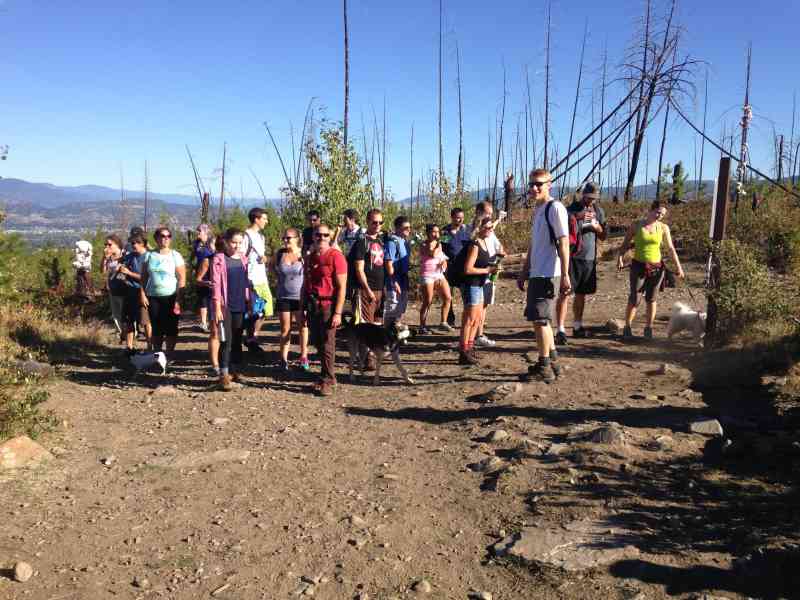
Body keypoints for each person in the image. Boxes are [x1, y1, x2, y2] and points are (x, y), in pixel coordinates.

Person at [516, 169, 571, 383]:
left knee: (541, 320)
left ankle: (545, 365)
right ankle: (552, 360)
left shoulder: (555, 208)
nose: (534, 188)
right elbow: (533, 246)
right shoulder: (539, 209)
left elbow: (564, 242)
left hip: (550, 273)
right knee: (540, 320)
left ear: (550, 184)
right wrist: (524, 270)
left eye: (539, 184)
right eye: (531, 184)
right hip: (538, 273)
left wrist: (565, 274)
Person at [617, 200, 685, 339]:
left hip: (657, 267)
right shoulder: (637, 225)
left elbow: (671, 249)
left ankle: (648, 328)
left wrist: (679, 267)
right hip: (638, 265)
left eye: (662, 214)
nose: (660, 215)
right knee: (635, 298)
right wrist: (620, 257)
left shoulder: (663, 228)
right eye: (658, 212)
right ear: (651, 210)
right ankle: (627, 327)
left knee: (651, 299)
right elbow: (625, 243)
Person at [554, 182, 607, 343]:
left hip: (589, 258)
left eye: (594, 198)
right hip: (572, 257)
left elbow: (604, 236)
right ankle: (560, 329)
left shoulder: (599, 211)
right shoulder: (572, 209)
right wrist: (578, 218)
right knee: (565, 292)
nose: (591, 201)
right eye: (589, 197)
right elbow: (562, 228)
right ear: (583, 194)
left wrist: (597, 228)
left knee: (582, 294)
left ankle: (577, 326)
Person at [304, 223, 347, 396]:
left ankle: (329, 379)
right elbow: (306, 283)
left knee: (328, 342)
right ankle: (324, 375)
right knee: (318, 342)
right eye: (318, 235)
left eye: (325, 235)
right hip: (313, 304)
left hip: (329, 305)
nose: (321, 238)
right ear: (313, 236)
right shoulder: (311, 257)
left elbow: (342, 287)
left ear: (330, 236)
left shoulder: (336, 256)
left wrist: (337, 312)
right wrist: (302, 306)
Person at [210, 228, 250, 390]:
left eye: (240, 243)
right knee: (226, 340)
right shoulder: (219, 259)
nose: (237, 246)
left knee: (237, 339)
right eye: (234, 242)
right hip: (225, 306)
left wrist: (249, 301)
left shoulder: (243, 259)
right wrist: (217, 307)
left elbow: (246, 283)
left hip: (240, 305)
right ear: (226, 241)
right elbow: (216, 285)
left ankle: (235, 369)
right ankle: (223, 373)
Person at [139, 226, 186, 358]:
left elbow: (182, 278)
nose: (165, 239)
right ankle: (158, 354)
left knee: (171, 327)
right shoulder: (148, 255)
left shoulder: (175, 255)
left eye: (168, 236)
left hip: (171, 296)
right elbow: (143, 277)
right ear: (156, 238)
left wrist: (179, 298)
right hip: (153, 296)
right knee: (156, 327)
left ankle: (170, 354)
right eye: (162, 236)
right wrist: (142, 294)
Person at [458, 217, 498, 365]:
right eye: (487, 227)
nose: (490, 230)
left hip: (480, 284)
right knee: (469, 319)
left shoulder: (484, 243)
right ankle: (463, 351)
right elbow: (468, 269)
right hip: (472, 284)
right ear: (479, 228)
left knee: (477, 319)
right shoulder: (474, 245)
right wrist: (486, 270)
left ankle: (469, 347)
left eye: (491, 227)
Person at [272, 227, 310, 372]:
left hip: (300, 297)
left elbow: (310, 272)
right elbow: (271, 266)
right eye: (284, 238)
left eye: (289, 238)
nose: (286, 240)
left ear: (296, 239)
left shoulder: (304, 254)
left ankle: (304, 357)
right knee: (285, 329)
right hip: (283, 296)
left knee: (303, 327)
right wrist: (278, 279)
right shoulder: (280, 253)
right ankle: (283, 359)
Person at [469, 201, 506, 348]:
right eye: (487, 213)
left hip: (490, 273)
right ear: (478, 213)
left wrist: (500, 254)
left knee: (483, 306)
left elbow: (497, 245)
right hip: (479, 274)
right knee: (476, 308)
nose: (489, 216)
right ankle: (475, 336)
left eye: (491, 213)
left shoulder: (489, 229)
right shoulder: (475, 231)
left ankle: (478, 334)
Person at [241, 207, 270, 351]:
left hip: (262, 278)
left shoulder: (261, 236)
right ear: (256, 219)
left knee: (266, 310)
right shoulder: (246, 236)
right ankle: (251, 338)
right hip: (251, 279)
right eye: (264, 218)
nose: (266, 221)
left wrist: (264, 258)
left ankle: (252, 337)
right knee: (255, 311)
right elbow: (241, 258)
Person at [351, 208, 386, 327]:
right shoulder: (361, 242)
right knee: (365, 327)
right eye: (374, 222)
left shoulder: (381, 241)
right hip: (365, 290)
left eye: (380, 222)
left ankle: (375, 346)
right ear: (367, 221)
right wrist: (367, 290)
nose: (377, 225)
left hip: (380, 290)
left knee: (378, 326)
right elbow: (359, 269)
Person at [197, 235, 226, 376]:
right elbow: (198, 279)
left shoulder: (229, 259)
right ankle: (215, 364)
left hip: (228, 299)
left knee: (227, 332)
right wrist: (208, 283)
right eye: (216, 244)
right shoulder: (208, 260)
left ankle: (225, 361)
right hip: (213, 297)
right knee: (215, 331)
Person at [118, 233, 150, 355]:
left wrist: (129, 273)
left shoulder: (148, 257)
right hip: (130, 291)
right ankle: (129, 347)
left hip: (143, 292)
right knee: (129, 320)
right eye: (132, 243)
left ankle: (150, 346)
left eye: (136, 243)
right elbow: (122, 268)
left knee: (145, 321)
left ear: (143, 243)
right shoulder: (130, 256)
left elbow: (146, 277)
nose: (133, 245)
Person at [418, 223, 452, 333]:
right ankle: (422, 326)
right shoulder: (423, 244)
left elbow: (441, 257)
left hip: (438, 274)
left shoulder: (439, 244)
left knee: (448, 298)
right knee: (427, 301)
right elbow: (432, 254)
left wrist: (444, 262)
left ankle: (443, 322)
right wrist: (439, 244)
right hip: (427, 275)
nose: (436, 234)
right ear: (428, 233)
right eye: (434, 231)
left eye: (438, 232)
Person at [441, 207, 468, 327]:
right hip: (449, 268)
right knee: (448, 295)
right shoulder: (445, 232)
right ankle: (449, 319)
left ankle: (468, 317)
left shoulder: (465, 230)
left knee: (466, 294)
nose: (460, 220)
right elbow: (441, 248)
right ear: (452, 217)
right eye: (458, 217)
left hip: (463, 268)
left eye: (462, 218)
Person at [384, 215, 411, 326]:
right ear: (397, 228)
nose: (409, 230)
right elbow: (388, 264)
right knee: (392, 308)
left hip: (404, 279)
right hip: (394, 280)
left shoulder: (404, 242)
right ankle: (386, 335)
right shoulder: (391, 242)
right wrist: (394, 282)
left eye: (409, 227)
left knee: (401, 308)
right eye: (405, 228)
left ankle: (395, 333)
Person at [102, 234, 126, 338]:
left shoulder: (124, 255)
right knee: (116, 314)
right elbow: (103, 271)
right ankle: (120, 333)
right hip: (113, 289)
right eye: (105, 244)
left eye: (109, 244)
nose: (107, 246)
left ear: (117, 244)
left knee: (125, 313)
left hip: (124, 288)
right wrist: (104, 258)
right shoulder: (109, 258)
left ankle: (130, 334)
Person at [193, 224, 215, 332]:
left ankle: (212, 322)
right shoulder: (197, 243)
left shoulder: (211, 244)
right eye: (197, 231)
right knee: (202, 298)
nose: (197, 233)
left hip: (210, 273)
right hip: (200, 273)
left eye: (199, 231)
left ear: (206, 233)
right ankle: (203, 322)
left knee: (211, 297)